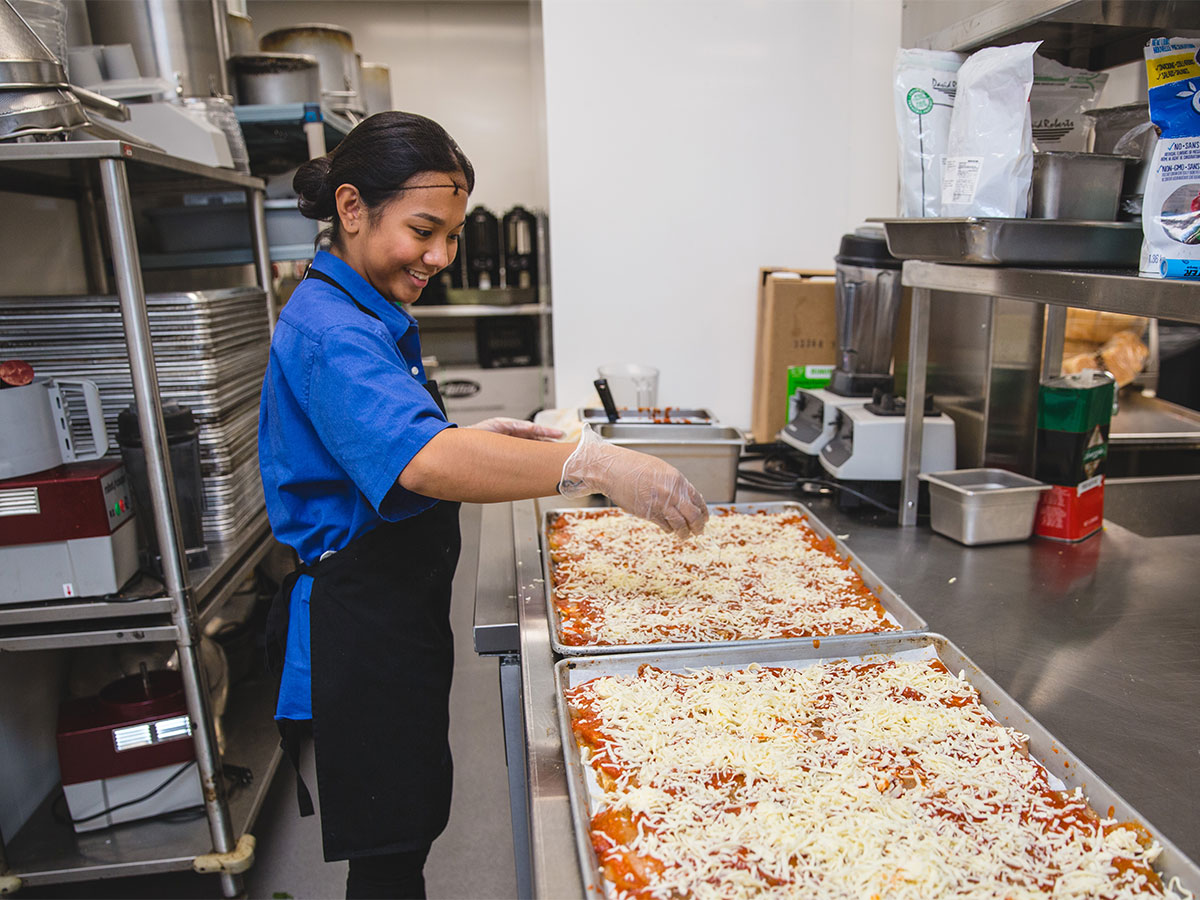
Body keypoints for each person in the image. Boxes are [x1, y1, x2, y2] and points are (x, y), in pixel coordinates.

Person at [257, 111, 708, 899]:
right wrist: (591, 462)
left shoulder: (360, 305)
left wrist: (473, 435)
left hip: (396, 606)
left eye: (452, 235)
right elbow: (425, 465)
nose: (440, 257)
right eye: (424, 231)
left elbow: (400, 439)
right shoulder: (331, 328)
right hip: (361, 625)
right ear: (353, 208)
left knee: (410, 823)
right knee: (390, 854)